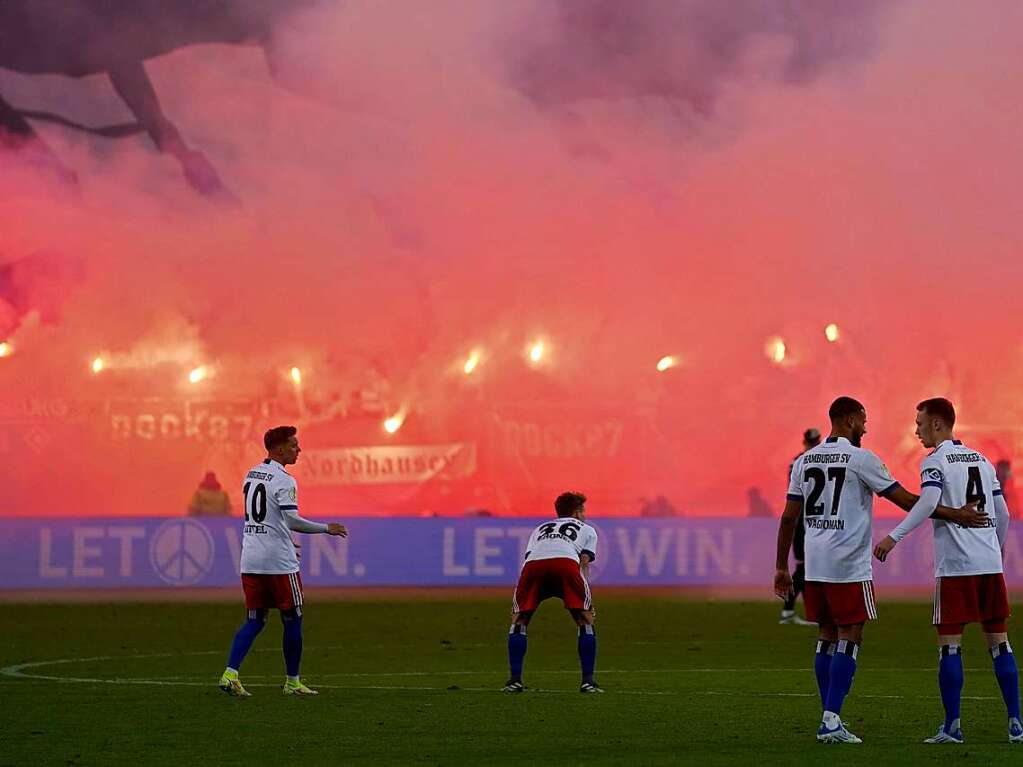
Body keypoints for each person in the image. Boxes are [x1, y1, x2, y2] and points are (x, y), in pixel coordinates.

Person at [775, 396, 984, 744]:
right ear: (849, 419)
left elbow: (787, 518)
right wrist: (956, 514)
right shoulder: (862, 460)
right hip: (849, 564)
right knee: (850, 635)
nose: (866, 427)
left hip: (815, 564)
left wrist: (781, 567)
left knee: (825, 636)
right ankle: (831, 718)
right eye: (863, 420)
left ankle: (828, 716)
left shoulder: (804, 461)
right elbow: (906, 501)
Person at [873, 398, 1021, 744]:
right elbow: (1004, 515)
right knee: (999, 643)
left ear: (938, 424)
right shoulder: (982, 461)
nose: (917, 430)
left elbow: (927, 503)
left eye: (921, 423)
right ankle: (1016, 723)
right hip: (988, 566)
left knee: (950, 647)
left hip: (956, 567)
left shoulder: (935, 461)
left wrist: (893, 537)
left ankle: (953, 727)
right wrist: (994, 551)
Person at [218, 425, 347, 697]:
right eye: (293, 445)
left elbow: (266, 519)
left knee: (254, 619)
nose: (298, 450)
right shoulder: (285, 480)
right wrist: (327, 528)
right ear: (279, 449)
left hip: (251, 559)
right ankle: (292, 682)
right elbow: (291, 520)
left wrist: (283, 539)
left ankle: (230, 674)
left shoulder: (251, 474)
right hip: (278, 564)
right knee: (293, 619)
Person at [504, 491, 600, 694]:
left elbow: (530, 558)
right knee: (585, 620)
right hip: (565, 563)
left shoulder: (539, 529)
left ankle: (514, 681)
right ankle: (588, 682)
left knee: (519, 619)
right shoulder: (588, 529)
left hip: (534, 566)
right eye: (583, 510)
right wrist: (586, 602)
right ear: (576, 512)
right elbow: (583, 564)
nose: (584, 514)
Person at [779, 428, 821, 625]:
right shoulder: (808, 462)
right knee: (804, 569)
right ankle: (788, 611)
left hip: (809, 522)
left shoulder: (800, 461)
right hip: (805, 523)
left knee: (807, 569)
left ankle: (803, 612)